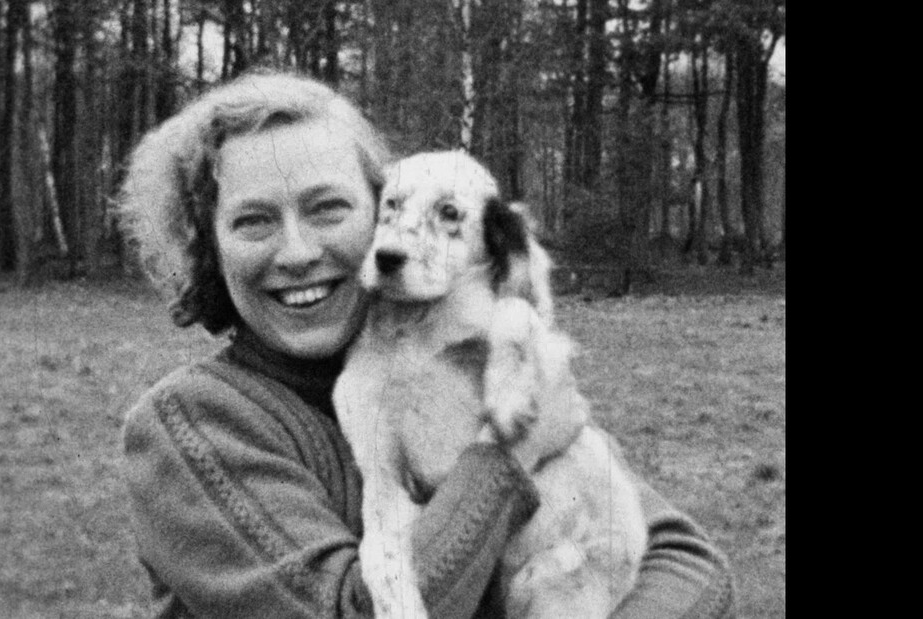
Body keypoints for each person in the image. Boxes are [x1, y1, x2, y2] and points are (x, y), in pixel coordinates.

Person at [118, 70, 734, 618]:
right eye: (253, 221)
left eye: (328, 209)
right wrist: (507, 458)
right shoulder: (192, 425)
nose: (298, 252)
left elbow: (687, 561)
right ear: (208, 246)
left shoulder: (470, 360)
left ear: (381, 213)